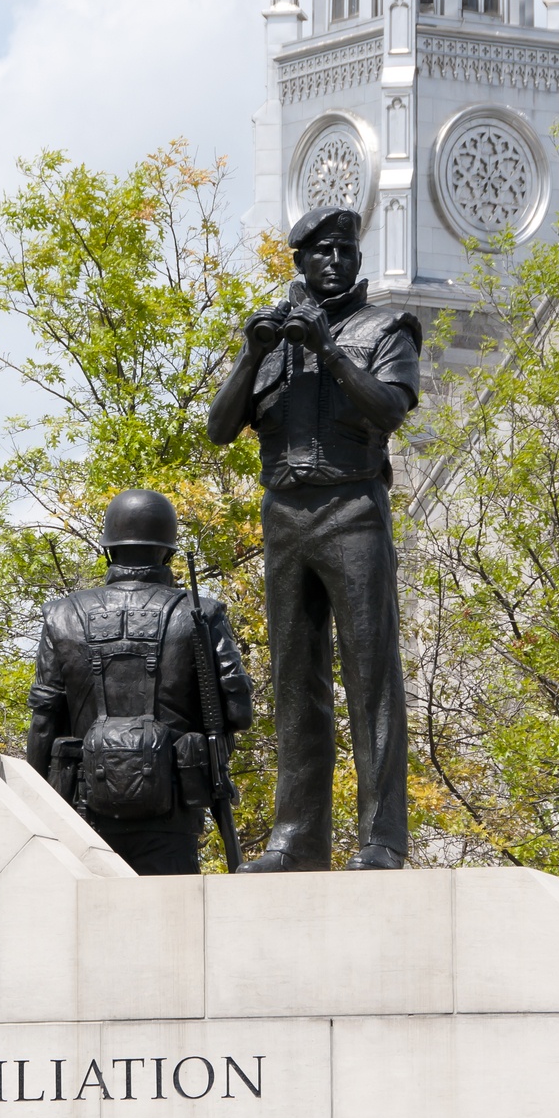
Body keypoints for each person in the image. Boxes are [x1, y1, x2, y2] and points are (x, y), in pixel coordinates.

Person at [205, 206, 420, 872]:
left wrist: (326, 347)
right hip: (284, 517)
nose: (333, 260)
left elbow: (388, 409)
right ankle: (296, 839)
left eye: (344, 250)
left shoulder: (385, 328)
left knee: (368, 678)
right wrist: (253, 352)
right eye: (320, 252)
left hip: (351, 507)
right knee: (295, 683)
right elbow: (218, 429)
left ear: (357, 258)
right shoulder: (272, 338)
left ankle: (380, 839)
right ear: (298, 262)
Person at [26, 490, 253, 875]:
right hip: (173, 812)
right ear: (167, 551)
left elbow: (44, 718)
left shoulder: (61, 615)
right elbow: (240, 711)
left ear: (108, 550)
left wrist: (35, 803)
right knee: (173, 924)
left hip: (82, 807)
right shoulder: (200, 613)